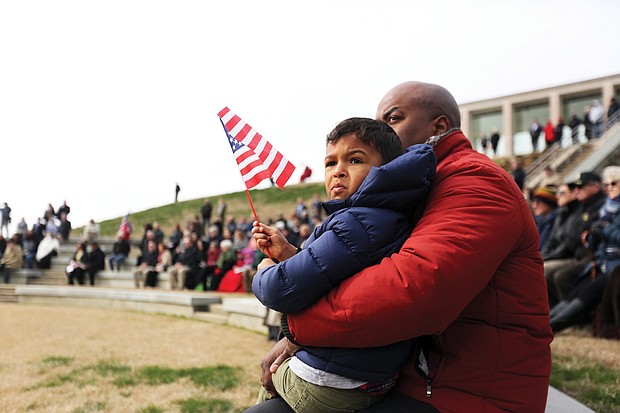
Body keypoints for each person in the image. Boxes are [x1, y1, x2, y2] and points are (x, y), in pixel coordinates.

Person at [245, 81, 552, 413]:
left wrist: (298, 327)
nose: (379, 129)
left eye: (392, 119)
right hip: (414, 378)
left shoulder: (474, 180)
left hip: (469, 394)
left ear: (439, 127)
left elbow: (413, 291)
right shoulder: (409, 191)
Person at [252, 117, 436, 412]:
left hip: (331, 381)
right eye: (330, 163)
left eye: (354, 160)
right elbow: (335, 272)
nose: (338, 171)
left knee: (270, 376)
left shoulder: (356, 222)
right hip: (372, 376)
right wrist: (288, 253)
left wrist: (263, 273)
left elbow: (283, 289)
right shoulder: (379, 216)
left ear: (385, 168)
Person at [550, 166, 620, 332]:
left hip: (613, 265)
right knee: (578, 291)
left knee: (585, 293)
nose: (609, 187)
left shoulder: (606, 210)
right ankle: (546, 321)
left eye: (613, 183)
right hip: (600, 262)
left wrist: (605, 230)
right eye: (607, 184)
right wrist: (592, 236)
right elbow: (587, 239)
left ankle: (552, 326)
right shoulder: (607, 209)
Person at [544, 172, 606, 307]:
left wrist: (545, 257)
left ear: (595, 187)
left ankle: (572, 318)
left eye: (581, 187)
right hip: (578, 254)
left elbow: (575, 238)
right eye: (575, 188)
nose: (577, 191)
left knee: (561, 276)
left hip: (591, 256)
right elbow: (555, 240)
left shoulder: (600, 205)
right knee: (546, 272)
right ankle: (555, 313)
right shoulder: (580, 208)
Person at [531, 186, 559, 251]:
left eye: (538, 202)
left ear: (549, 204)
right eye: (533, 202)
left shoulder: (555, 221)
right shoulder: (540, 221)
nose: (534, 206)